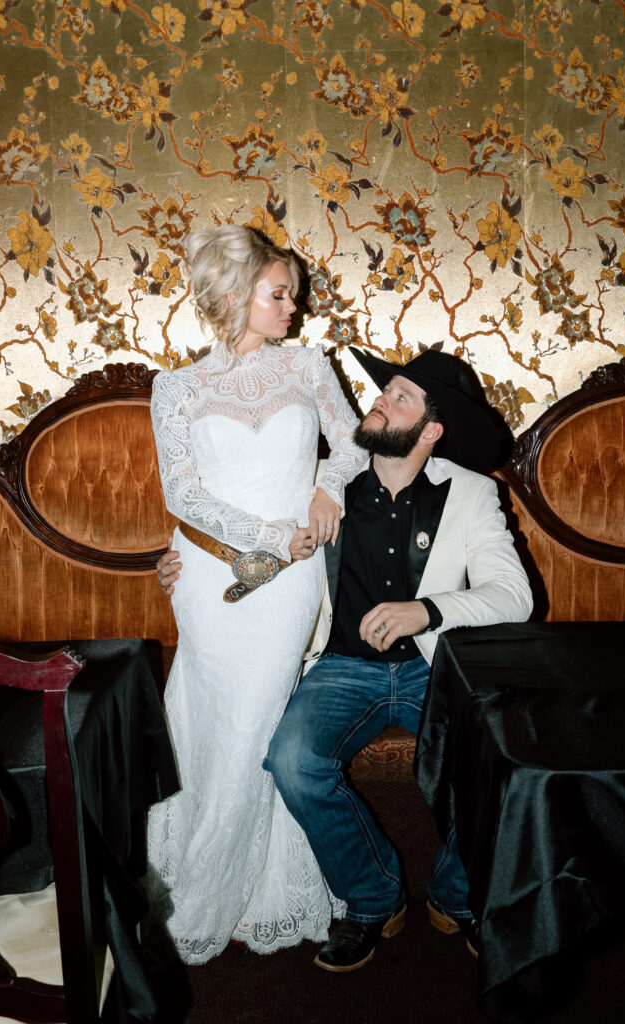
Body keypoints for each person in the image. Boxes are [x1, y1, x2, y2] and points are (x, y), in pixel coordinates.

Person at [155, 345, 533, 971]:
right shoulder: (319, 487)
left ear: (430, 431)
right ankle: (372, 897)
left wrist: (428, 609)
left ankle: (456, 894)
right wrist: (175, 563)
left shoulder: (471, 495)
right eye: (384, 393)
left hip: (434, 670)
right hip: (340, 668)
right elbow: (228, 530)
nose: (379, 402)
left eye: (399, 398)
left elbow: (513, 595)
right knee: (292, 760)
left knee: (504, 760)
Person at [146, 224, 366, 965]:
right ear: (235, 295)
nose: (293, 310)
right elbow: (181, 492)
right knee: (211, 717)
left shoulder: (308, 367)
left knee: (258, 723)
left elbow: (356, 440)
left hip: (292, 578)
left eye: (295, 297)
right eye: (280, 295)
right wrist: (267, 532)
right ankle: (191, 876)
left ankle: (241, 883)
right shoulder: (175, 386)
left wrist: (326, 489)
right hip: (210, 575)